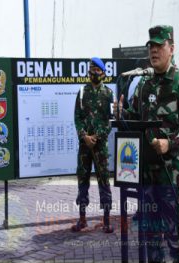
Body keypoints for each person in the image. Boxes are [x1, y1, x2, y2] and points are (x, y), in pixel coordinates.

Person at [114, 25, 179, 263]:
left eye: (159, 45)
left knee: (176, 239)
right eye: (151, 46)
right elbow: (134, 118)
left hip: (171, 176)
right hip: (147, 176)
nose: (153, 50)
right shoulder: (144, 85)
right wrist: (122, 113)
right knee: (151, 238)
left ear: (171, 48)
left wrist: (170, 142)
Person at [72, 57, 114, 233]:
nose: (94, 73)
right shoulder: (82, 92)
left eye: (97, 70)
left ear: (103, 73)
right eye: (91, 70)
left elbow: (109, 120)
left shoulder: (108, 94)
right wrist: (84, 136)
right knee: (83, 180)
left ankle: (106, 220)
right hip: (84, 146)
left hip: (100, 146)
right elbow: (77, 117)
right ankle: (82, 220)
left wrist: (96, 137)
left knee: (103, 180)